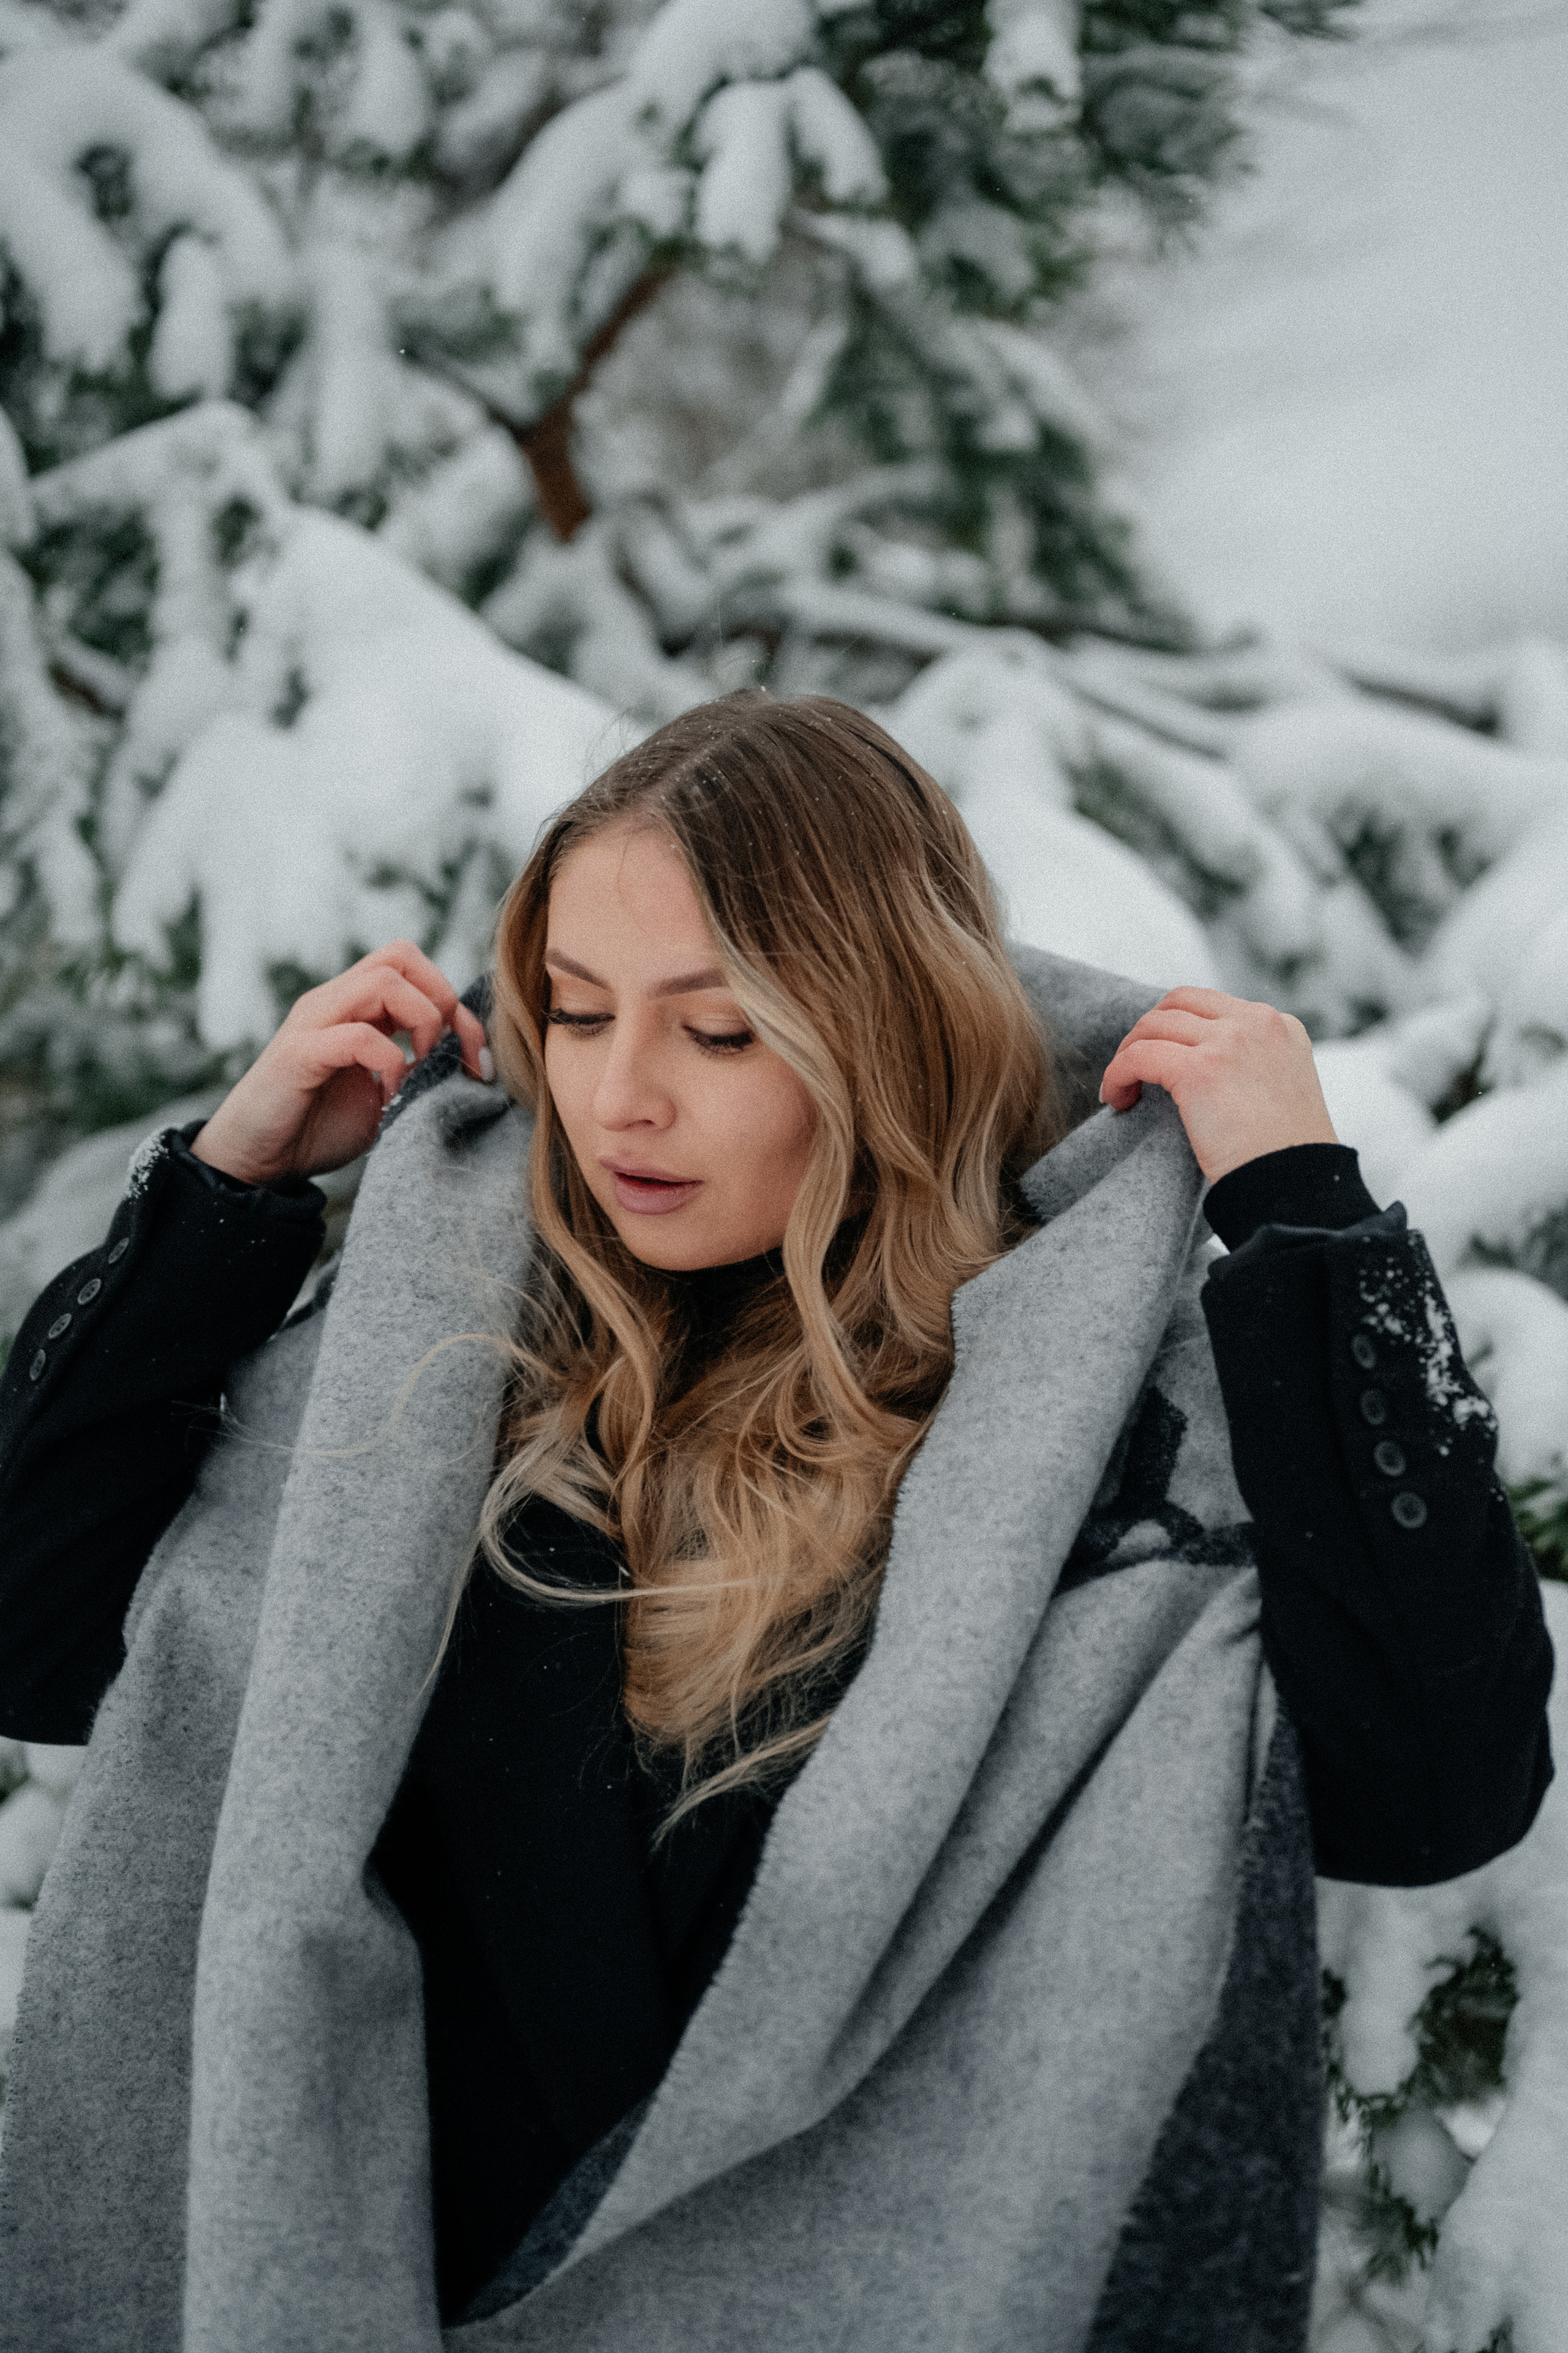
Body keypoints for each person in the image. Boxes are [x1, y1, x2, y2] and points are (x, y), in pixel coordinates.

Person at [0, 693, 1551, 2353]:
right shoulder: (426, 1373)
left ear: (886, 1030)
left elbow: (1431, 1785)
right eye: (578, 1014)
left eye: (719, 1031)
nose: (620, 1099)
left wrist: (1300, 1205)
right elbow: (36, 1637)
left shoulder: (1103, 1432)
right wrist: (225, 1199)